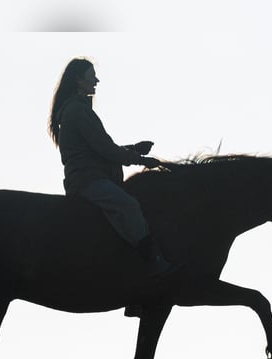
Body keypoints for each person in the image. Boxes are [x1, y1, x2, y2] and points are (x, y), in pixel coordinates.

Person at [49, 57, 177, 277]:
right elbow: (106, 150)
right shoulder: (78, 112)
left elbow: (99, 148)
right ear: (79, 80)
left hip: (91, 177)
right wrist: (141, 160)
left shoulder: (77, 111)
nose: (96, 81)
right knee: (128, 205)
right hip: (88, 181)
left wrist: (134, 149)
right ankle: (152, 263)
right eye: (91, 77)